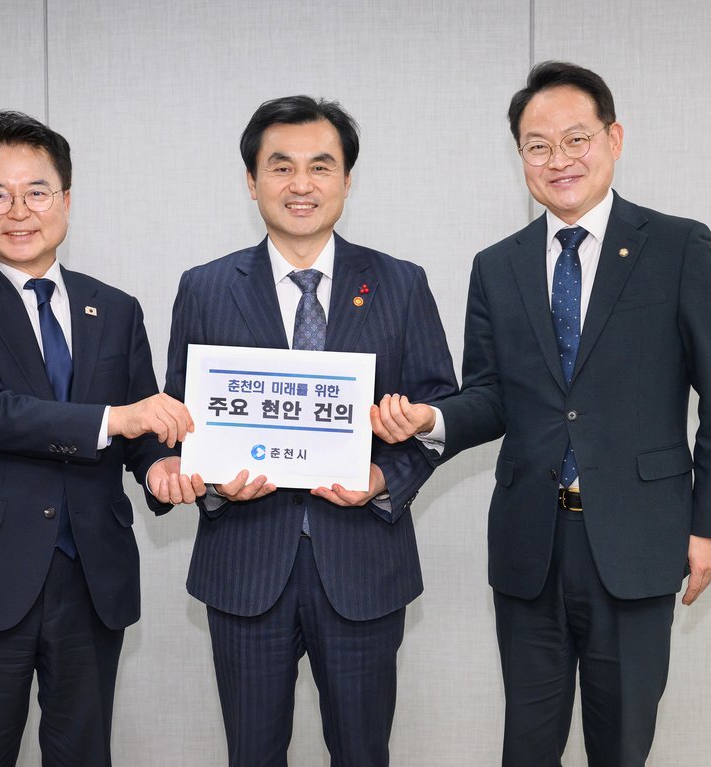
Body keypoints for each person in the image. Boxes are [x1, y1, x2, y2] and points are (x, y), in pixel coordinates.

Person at [372, 62, 711, 766]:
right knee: (527, 745)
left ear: (614, 139)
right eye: (537, 146)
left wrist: (709, 526)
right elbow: (490, 395)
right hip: (530, 545)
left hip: (639, 538)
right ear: (520, 156)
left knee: (622, 744)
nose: (559, 160)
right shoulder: (498, 265)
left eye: (576, 139)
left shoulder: (678, 246)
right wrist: (431, 419)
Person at [164, 96, 457, 766]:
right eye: (281, 167)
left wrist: (385, 477)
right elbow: (178, 416)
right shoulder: (205, 287)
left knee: (362, 753)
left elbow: (439, 407)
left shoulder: (401, 284)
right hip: (244, 565)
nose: (302, 184)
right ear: (252, 181)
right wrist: (211, 481)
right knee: (252, 755)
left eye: (321, 166)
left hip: (363, 565)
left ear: (347, 180)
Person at [0, 110, 199, 766]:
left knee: (84, 755)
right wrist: (118, 419)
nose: (19, 211)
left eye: (36, 192)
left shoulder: (116, 308)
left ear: (66, 200)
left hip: (92, 576)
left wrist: (160, 467)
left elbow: (142, 430)